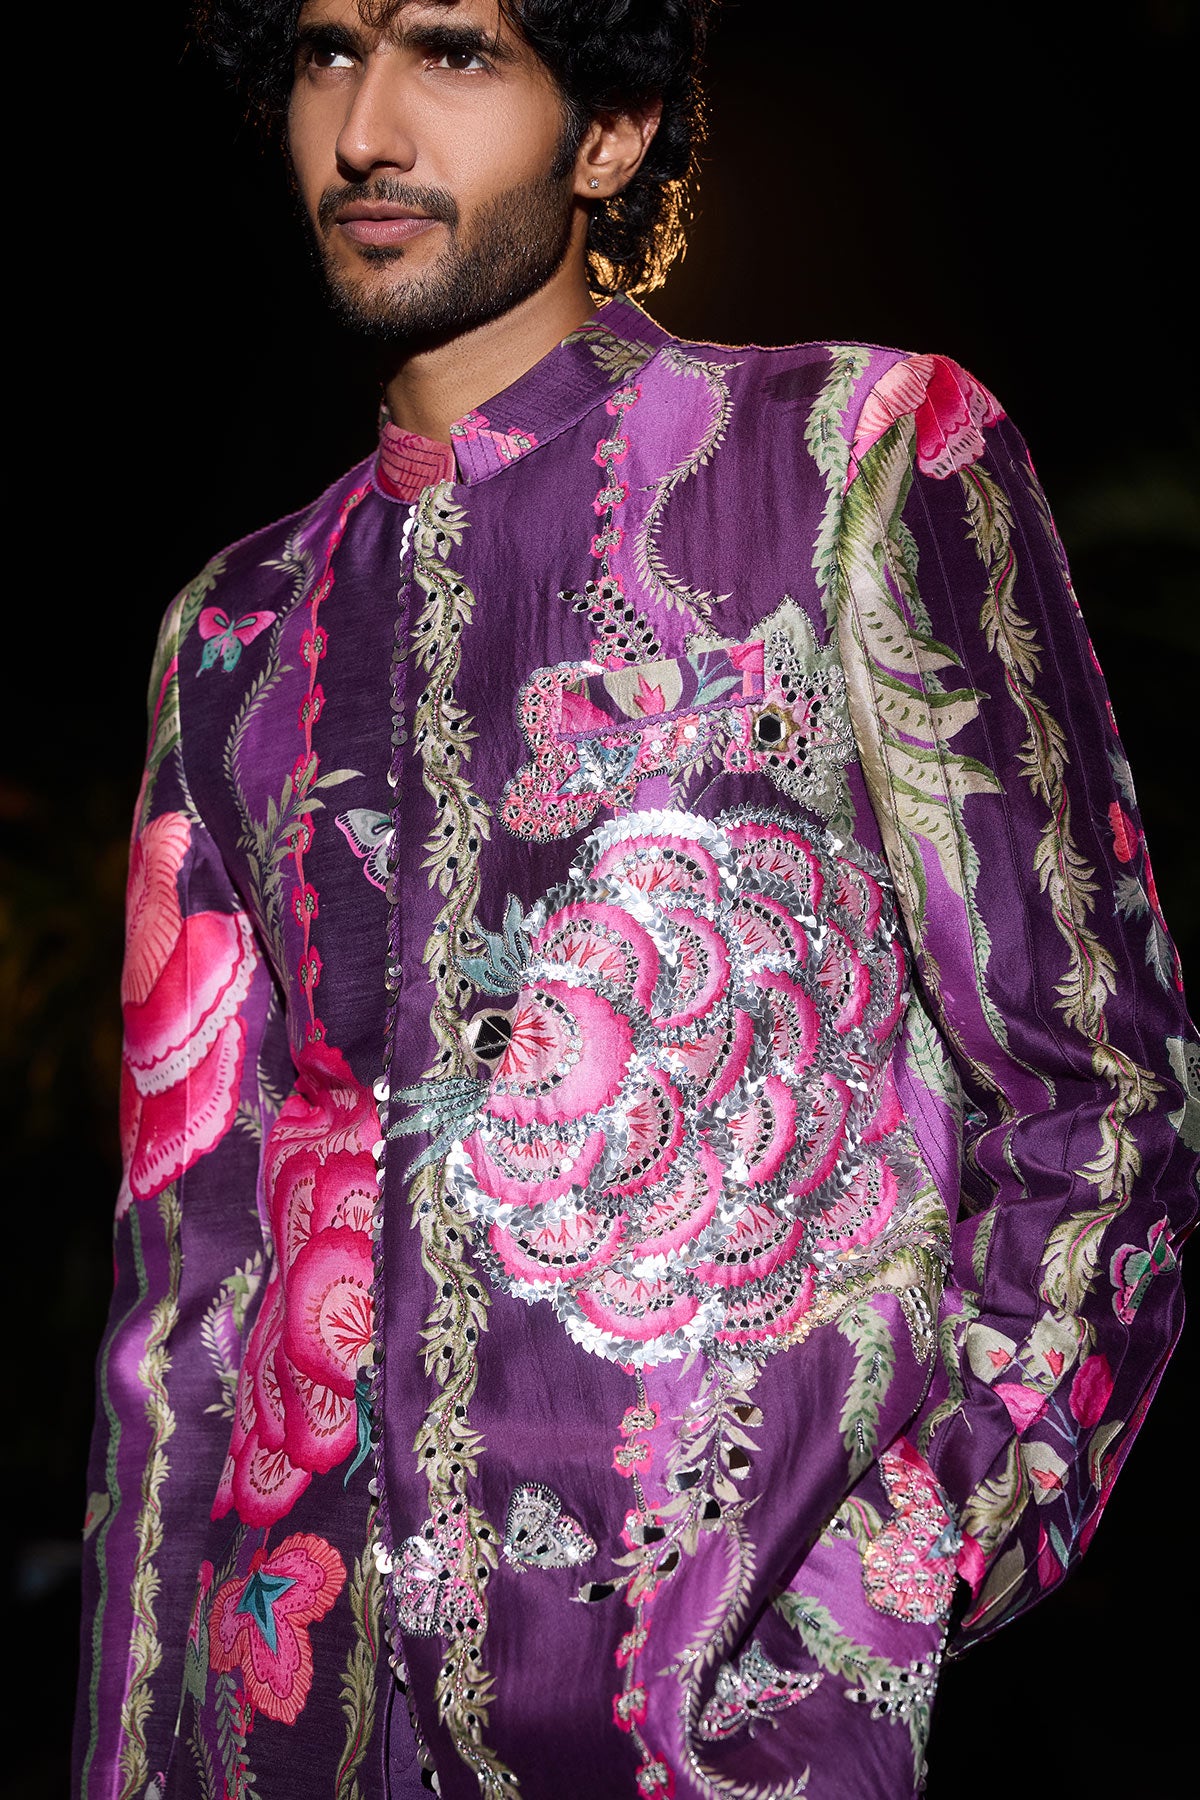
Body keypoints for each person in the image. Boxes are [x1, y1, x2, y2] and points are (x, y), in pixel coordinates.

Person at [72, 2, 1198, 1796]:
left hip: (719, 1736)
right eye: (326, 53)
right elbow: (185, 1303)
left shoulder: (849, 460)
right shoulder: (235, 631)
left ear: (609, 131)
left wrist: (885, 1589)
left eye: (452, 51)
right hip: (294, 1726)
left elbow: (1103, 1099)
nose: (365, 130)